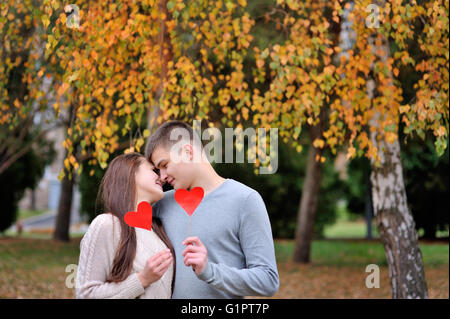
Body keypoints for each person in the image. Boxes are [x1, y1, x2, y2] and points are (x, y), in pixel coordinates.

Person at [146, 121, 279, 299]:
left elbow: (268, 280)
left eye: (164, 165)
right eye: (157, 169)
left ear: (187, 152)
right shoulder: (161, 204)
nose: (162, 177)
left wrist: (210, 271)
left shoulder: (245, 200)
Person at [76, 153, 175, 298]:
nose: (161, 177)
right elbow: (85, 294)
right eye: (154, 170)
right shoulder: (107, 225)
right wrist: (142, 279)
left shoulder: (158, 232)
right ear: (130, 173)